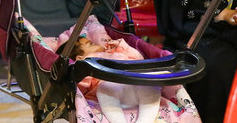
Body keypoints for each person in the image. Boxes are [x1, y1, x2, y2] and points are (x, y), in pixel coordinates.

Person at [58, 35, 200, 123]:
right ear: (80, 58)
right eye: (90, 45)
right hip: (111, 89)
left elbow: (138, 58)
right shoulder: (87, 62)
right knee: (105, 88)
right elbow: (81, 86)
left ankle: (144, 120)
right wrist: (79, 66)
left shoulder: (116, 51)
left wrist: (122, 46)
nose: (97, 44)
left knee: (150, 86)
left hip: (133, 81)